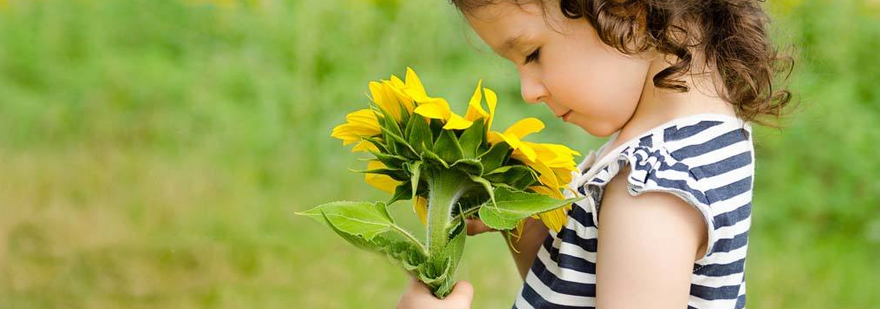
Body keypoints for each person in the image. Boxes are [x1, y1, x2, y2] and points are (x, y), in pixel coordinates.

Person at [397, 0, 792, 308]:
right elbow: (574, 288)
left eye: (532, 54)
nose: (528, 91)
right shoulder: (692, 143)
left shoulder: (649, 190)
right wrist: (518, 214)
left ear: (626, 12)